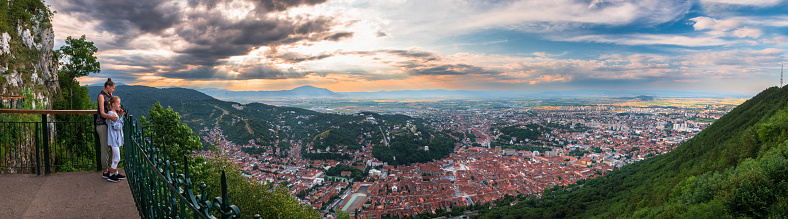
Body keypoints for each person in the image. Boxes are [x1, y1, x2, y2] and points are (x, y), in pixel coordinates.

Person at [96, 78, 118, 179]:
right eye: (112, 88)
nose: (113, 90)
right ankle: (105, 171)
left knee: (110, 147)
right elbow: (102, 113)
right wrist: (111, 117)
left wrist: (118, 110)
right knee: (105, 147)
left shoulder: (110, 96)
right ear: (108, 87)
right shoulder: (101, 96)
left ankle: (110, 169)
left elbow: (112, 107)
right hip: (102, 124)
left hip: (108, 124)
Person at [106, 96, 126, 182]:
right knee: (117, 158)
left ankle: (116, 173)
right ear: (113, 104)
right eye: (118, 103)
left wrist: (120, 115)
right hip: (114, 139)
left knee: (115, 157)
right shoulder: (112, 114)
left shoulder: (113, 113)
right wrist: (122, 118)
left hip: (114, 139)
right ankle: (110, 174)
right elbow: (117, 127)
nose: (119, 105)